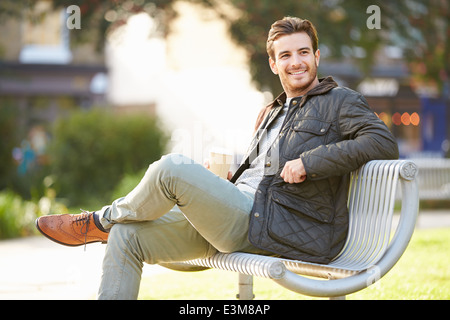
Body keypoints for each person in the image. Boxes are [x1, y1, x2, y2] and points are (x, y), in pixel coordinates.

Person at [35, 17, 399, 299]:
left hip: (278, 228)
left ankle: (98, 221)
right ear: (274, 64)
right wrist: (223, 184)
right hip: (239, 214)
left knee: (171, 168)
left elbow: (382, 143)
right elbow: (260, 176)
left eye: (303, 52)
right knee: (126, 237)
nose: (296, 62)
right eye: (285, 55)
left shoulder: (340, 102)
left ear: (316, 57)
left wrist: (310, 162)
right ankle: (111, 226)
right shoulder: (271, 112)